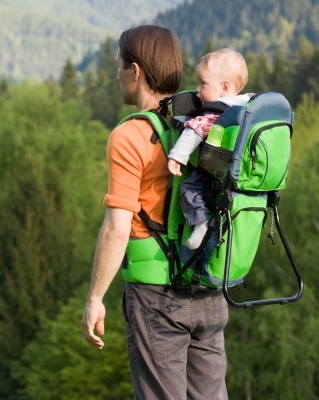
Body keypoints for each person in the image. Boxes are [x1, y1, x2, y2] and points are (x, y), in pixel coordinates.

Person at [81, 25, 229, 400]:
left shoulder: (130, 136)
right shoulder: (209, 122)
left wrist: (95, 298)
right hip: (209, 290)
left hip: (156, 299)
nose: (116, 75)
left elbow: (117, 228)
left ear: (136, 71)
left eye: (118, 66)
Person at [167, 49, 251, 249]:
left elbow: (192, 133)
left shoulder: (213, 112)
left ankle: (200, 223)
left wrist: (176, 158)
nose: (197, 90)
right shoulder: (248, 105)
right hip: (242, 175)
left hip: (215, 171)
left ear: (224, 87)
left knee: (188, 188)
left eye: (203, 83)